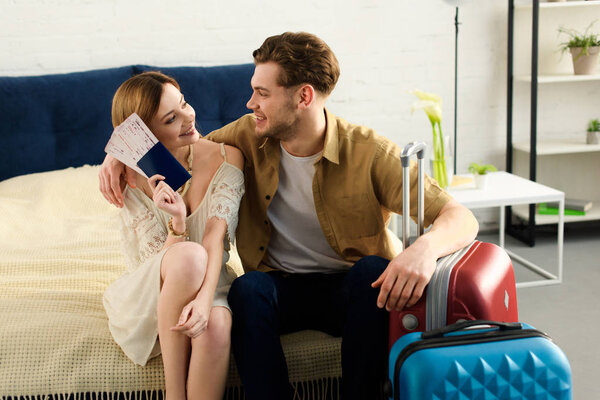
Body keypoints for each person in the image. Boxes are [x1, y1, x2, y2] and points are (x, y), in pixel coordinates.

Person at [99, 32, 478, 399]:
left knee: (373, 272)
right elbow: (182, 140)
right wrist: (117, 154)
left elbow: (459, 216)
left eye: (262, 94)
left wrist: (424, 250)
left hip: (347, 286)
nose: (250, 104)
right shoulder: (246, 136)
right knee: (247, 290)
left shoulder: (370, 153)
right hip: (279, 286)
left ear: (304, 96)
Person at [101, 71, 245, 400]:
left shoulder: (226, 157)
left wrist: (206, 303)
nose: (188, 117)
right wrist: (178, 223)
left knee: (216, 327)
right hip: (153, 290)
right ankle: (174, 393)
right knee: (188, 255)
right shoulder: (128, 177)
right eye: (171, 119)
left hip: (211, 280)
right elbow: (163, 266)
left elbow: (214, 238)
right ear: (147, 135)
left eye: (184, 104)